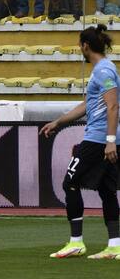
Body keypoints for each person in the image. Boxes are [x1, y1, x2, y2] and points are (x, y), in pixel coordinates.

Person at [40, 24, 120, 259]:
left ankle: (76, 242)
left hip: (98, 139)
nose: (79, 51)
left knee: (70, 183)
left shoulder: (103, 71)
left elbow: (113, 104)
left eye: (80, 46)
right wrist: (59, 122)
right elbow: (88, 105)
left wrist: (110, 141)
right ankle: (114, 246)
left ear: (85, 46)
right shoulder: (103, 69)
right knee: (107, 190)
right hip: (103, 137)